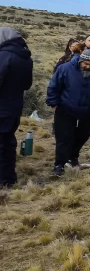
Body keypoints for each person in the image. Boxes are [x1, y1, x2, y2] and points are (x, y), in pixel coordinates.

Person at [47, 49, 90, 177]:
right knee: (64, 138)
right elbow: (54, 86)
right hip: (65, 109)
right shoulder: (65, 69)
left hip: (88, 112)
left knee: (82, 136)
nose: (88, 66)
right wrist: (54, 104)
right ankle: (59, 164)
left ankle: (72, 157)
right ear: (80, 61)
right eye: (86, 63)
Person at [0, 28, 33, 188]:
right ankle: (8, 178)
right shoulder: (26, 58)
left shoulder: (4, 56)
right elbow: (27, 85)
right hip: (15, 108)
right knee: (8, 142)